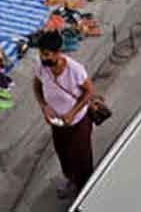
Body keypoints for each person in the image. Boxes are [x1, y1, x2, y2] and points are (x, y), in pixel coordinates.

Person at [33, 29, 95, 201]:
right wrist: (44, 106)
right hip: (58, 124)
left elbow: (89, 92)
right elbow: (37, 85)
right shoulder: (41, 67)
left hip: (78, 122)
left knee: (81, 157)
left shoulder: (75, 70)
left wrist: (72, 113)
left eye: (46, 54)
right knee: (64, 153)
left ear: (58, 53)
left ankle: (85, 190)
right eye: (41, 53)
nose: (43, 58)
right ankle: (71, 181)